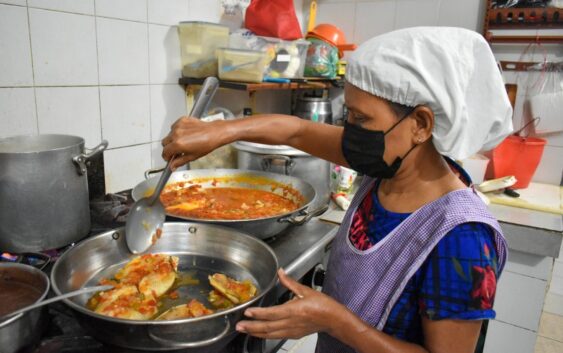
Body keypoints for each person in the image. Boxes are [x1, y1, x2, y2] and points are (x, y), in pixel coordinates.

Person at [162, 27, 513, 353]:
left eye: (361, 120)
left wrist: (334, 321)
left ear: (420, 124)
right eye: (349, 116)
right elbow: (295, 132)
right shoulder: (389, 163)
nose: (349, 131)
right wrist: (220, 132)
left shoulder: (462, 237)